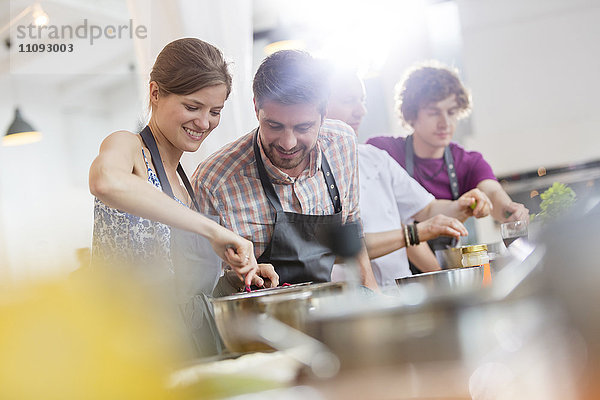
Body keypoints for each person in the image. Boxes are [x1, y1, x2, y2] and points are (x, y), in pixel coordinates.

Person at [89, 38, 277, 356]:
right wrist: (213, 230)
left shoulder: (184, 182)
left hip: (185, 348)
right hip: (130, 350)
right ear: (155, 93)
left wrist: (232, 278)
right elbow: (105, 180)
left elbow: (177, 287)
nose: (204, 123)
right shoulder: (128, 147)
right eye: (192, 107)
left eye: (214, 111)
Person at [192, 50, 379, 290]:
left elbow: (352, 229)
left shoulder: (342, 144)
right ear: (256, 107)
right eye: (274, 125)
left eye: (303, 127)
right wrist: (234, 276)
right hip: (257, 321)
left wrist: (373, 296)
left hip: (327, 312)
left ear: (323, 114)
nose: (288, 143)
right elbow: (200, 287)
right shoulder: (214, 182)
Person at [327, 68, 492, 287]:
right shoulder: (307, 171)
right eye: (349, 101)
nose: (361, 110)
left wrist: (463, 206)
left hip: (401, 293)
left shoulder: (375, 158)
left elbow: (428, 210)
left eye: (362, 100)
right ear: (317, 106)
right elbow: (334, 251)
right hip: (350, 301)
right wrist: (416, 233)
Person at [367, 62, 528, 253]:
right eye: (434, 113)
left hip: (444, 265)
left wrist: (509, 210)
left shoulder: (468, 162)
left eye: (451, 112)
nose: (445, 123)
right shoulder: (383, 152)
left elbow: (491, 191)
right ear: (411, 115)